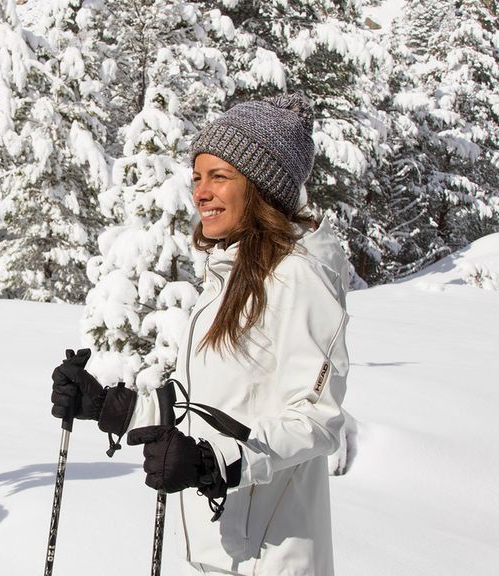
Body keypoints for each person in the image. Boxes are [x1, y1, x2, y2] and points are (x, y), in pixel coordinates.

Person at [51, 94, 349, 575]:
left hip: (272, 560)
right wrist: (111, 407)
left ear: (261, 188)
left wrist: (216, 463)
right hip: (221, 552)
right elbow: (207, 409)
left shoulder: (296, 279)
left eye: (219, 176)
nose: (200, 193)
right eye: (197, 177)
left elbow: (316, 420)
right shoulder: (229, 276)